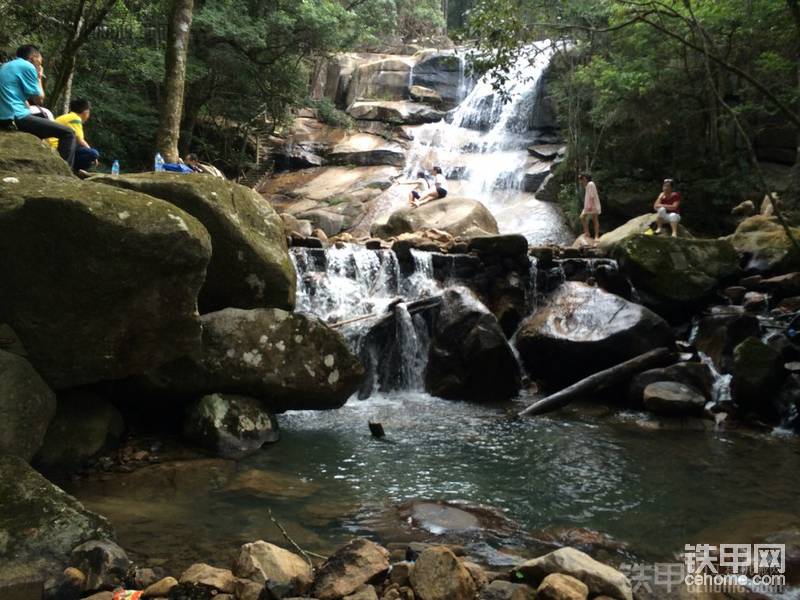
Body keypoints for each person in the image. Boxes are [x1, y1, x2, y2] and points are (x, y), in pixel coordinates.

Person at [0, 45, 75, 167]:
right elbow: (39, 99)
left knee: (40, 124)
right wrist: (39, 77)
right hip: (15, 117)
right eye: (39, 63)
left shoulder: (5, 66)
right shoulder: (28, 66)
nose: (39, 66)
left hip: (4, 117)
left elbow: (19, 99)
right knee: (68, 133)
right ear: (33, 57)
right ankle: (65, 172)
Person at [48, 98, 99, 174]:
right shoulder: (75, 118)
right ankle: (73, 169)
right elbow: (80, 141)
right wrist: (95, 157)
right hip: (58, 147)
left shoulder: (68, 117)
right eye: (89, 112)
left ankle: (74, 169)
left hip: (56, 146)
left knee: (88, 157)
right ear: (85, 112)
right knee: (93, 153)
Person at [578, 172, 601, 241]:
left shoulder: (590, 184)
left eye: (581, 179)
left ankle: (596, 236)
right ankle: (587, 233)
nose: (580, 181)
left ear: (584, 178)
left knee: (594, 220)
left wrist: (590, 206)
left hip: (592, 205)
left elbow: (592, 196)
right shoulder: (588, 185)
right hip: (589, 205)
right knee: (583, 217)